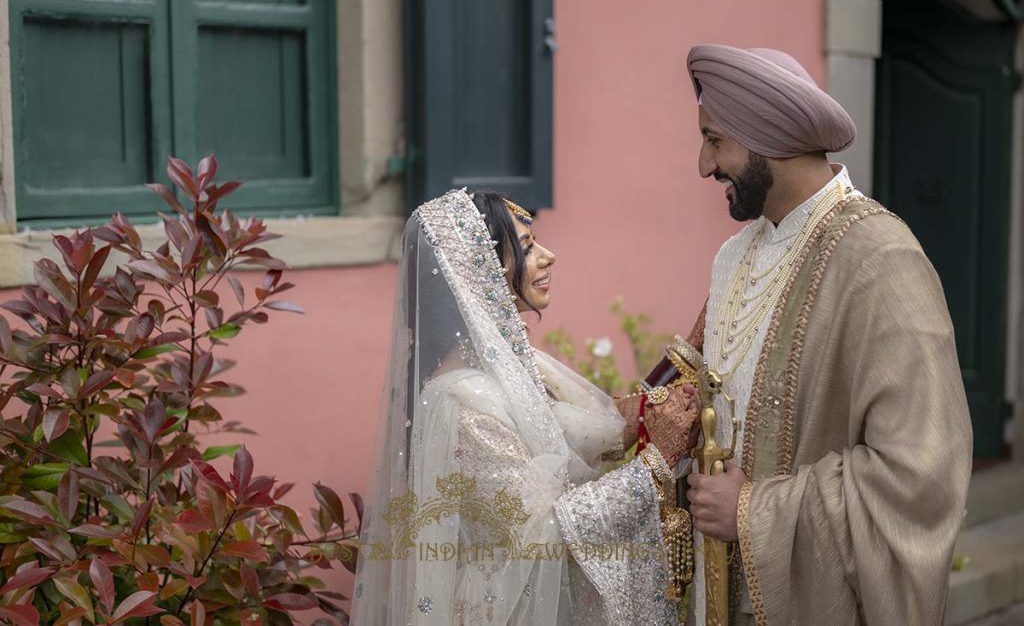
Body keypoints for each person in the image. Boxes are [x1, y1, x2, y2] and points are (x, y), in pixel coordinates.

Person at [681, 44, 972, 625]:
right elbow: (696, 387)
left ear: (766, 137)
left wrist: (752, 510)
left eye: (715, 140)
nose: (703, 164)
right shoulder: (735, 257)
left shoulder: (881, 259)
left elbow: (920, 475)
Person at [351, 189, 699, 624]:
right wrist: (654, 467)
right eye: (528, 248)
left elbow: (594, 428)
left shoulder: (511, 370)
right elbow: (544, 530)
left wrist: (683, 367)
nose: (549, 256)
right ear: (479, 274)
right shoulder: (462, 404)